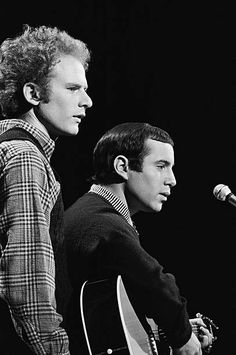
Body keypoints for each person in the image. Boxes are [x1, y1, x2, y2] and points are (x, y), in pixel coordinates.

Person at [64, 122, 214, 355]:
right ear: (122, 166)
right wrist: (182, 336)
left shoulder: (94, 212)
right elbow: (156, 282)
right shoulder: (103, 223)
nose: (172, 180)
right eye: (161, 166)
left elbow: (113, 311)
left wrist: (165, 329)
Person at [0, 24, 92, 354]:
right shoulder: (25, 158)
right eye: (73, 88)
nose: (88, 101)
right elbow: (26, 286)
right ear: (34, 94)